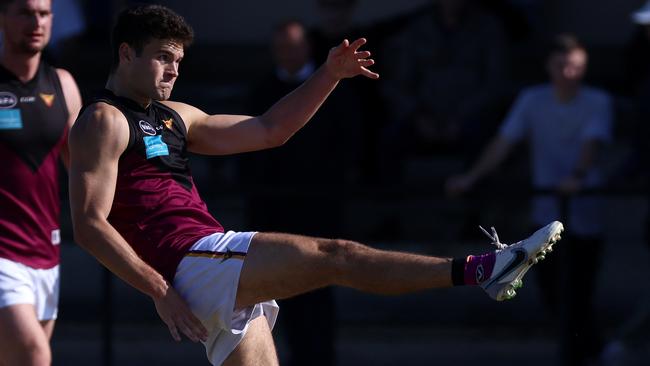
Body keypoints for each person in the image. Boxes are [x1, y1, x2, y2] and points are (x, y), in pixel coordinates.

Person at [68, 5, 563, 365]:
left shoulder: (176, 115)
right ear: (126, 53)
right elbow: (89, 226)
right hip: (191, 263)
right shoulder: (103, 120)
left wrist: (329, 75)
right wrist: (160, 290)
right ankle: (483, 270)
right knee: (336, 254)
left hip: (203, 269)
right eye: (161, 57)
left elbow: (269, 130)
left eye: (178, 59)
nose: (173, 69)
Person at [446, 34, 612, 366]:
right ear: (549, 66)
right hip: (547, 212)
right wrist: (472, 176)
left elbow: (592, 144)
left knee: (581, 291)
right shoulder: (532, 100)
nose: (569, 73)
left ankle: (588, 354)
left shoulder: (597, 101)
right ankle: (582, 353)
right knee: (552, 289)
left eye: (577, 66)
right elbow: (504, 142)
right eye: (563, 65)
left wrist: (577, 177)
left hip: (585, 212)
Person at [242, 19, 362, 366]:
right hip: (273, 207)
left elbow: (350, 146)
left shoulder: (338, 92)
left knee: (320, 285)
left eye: (293, 46)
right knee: (279, 290)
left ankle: (321, 357)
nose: (287, 53)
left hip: (319, 207)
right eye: (281, 47)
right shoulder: (262, 90)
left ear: (308, 47)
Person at [0, 0, 82, 364]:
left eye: (44, 13)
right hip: (3, 253)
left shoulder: (63, 83)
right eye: (24, 12)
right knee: (34, 354)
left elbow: (82, 169)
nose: (36, 22)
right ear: (2, 18)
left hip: (46, 250)